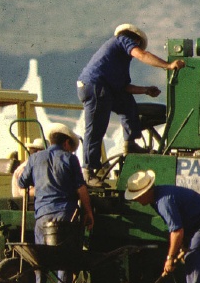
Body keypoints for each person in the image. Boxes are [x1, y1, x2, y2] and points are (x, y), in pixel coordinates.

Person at [77, 24, 185, 176]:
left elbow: (124, 88)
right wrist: (168, 65)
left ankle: (130, 143)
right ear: (136, 40)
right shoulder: (123, 39)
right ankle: (89, 171)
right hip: (95, 87)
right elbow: (142, 55)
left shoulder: (119, 61)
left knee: (126, 103)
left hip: (104, 89)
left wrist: (145, 90)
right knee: (96, 128)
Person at [125, 169, 200, 283]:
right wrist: (184, 245)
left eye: (137, 196)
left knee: (195, 258)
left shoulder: (163, 202)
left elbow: (177, 231)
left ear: (145, 192)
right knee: (191, 257)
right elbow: (182, 221)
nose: (136, 200)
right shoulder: (159, 197)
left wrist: (170, 258)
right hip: (199, 222)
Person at [17, 123, 94, 283]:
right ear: (66, 143)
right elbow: (81, 189)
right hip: (65, 215)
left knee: (40, 258)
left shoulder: (35, 158)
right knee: (64, 258)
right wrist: (89, 212)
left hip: (42, 215)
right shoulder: (70, 159)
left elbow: (22, 182)